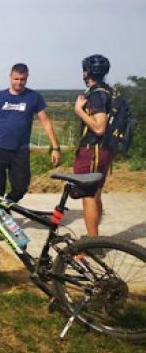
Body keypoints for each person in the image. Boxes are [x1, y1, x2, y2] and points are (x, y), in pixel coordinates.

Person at [0, 63, 61, 203]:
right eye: (16, 79)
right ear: (10, 77)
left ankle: (7, 204)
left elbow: (46, 123)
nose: (19, 82)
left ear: (27, 78)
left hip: (20, 150)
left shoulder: (34, 97)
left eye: (22, 79)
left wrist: (55, 148)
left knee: (21, 187)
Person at [73, 54, 113, 236]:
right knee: (95, 193)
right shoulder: (108, 91)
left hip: (93, 151)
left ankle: (93, 242)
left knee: (88, 195)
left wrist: (79, 111)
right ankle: (94, 236)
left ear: (86, 73)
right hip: (103, 151)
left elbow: (99, 127)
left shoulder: (97, 95)